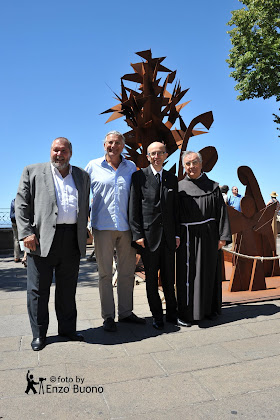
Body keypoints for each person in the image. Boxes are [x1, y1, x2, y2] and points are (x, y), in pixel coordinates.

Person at [15, 137, 90, 351]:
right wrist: (26, 233)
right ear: (50, 151)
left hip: (72, 239)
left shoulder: (82, 176)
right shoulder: (33, 171)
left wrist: (85, 229)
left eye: (63, 150)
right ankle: (39, 334)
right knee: (38, 290)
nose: (59, 154)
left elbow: (83, 205)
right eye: (55, 150)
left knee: (67, 289)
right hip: (41, 239)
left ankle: (67, 329)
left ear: (70, 153)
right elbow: (21, 204)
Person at [85, 130, 145, 332]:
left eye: (118, 143)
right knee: (104, 274)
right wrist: (85, 222)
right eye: (110, 142)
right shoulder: (92, 166)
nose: (114, 146)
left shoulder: (131, 168)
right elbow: (83, 195)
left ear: (123, 145)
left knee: (127, 273)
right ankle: (108, 316)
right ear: (104, 145)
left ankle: (126, 313)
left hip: (127, 227)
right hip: (102, 227)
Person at [176, 151, 231, 327]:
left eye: (194, 163)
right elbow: (174, 216)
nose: (191, 167)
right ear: (184, 167)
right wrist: (176, 235)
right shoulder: (179, 188)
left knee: (208, 272)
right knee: (189, 275)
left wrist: (223, 237)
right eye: (187, 164)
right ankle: (187, 312)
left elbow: (222, 214)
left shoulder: (213, 186)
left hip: (209, 237)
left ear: (201, 164)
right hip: (187, 237)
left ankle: (209, 310)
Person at [129, 141, 180, 330]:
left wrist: (177, 235)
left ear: (166, 155)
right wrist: (137, 234)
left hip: (168, 238)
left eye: (160, 153)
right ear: (148, 157)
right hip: (148, 239)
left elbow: (175, 211)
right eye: (153, 154)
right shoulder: (138, 177)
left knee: (168, 279)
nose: (156, 156)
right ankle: (157, 316)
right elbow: (133, 208)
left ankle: (172, 315)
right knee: (151, 280)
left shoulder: (171, 178)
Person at [10, 198, 21, 262]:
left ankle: (16, 257)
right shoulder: (22, 200)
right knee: (23, 238)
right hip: (21, 222)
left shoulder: (13, 201)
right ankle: (25, 257)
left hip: (14, 222)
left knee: (16, 239)